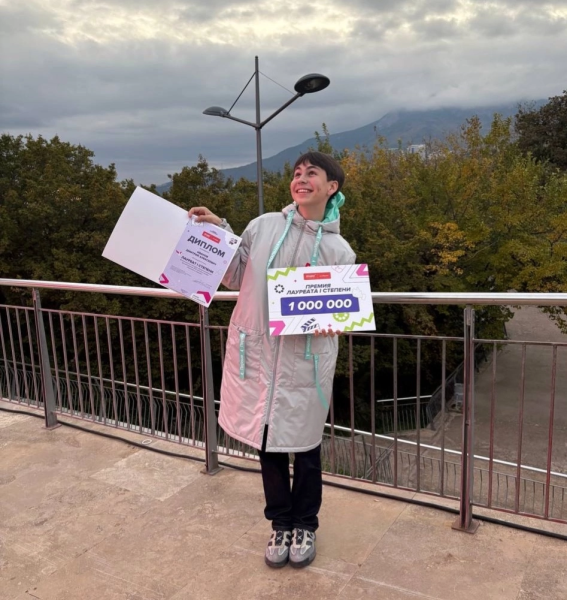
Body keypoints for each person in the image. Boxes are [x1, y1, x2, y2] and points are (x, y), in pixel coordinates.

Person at [188, 151, 356, 569]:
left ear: (331, 187)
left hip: (304, 363)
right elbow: (234, 274)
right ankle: (280, 523)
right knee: (269, 446)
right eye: (297, 173)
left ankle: (305, 525)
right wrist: (218, 231)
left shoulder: (339, 250)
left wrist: (334, 322)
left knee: (307, 447)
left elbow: (340, 314)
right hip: (260, 355)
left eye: (311, 173)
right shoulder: (263, 226)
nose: (301, 179)